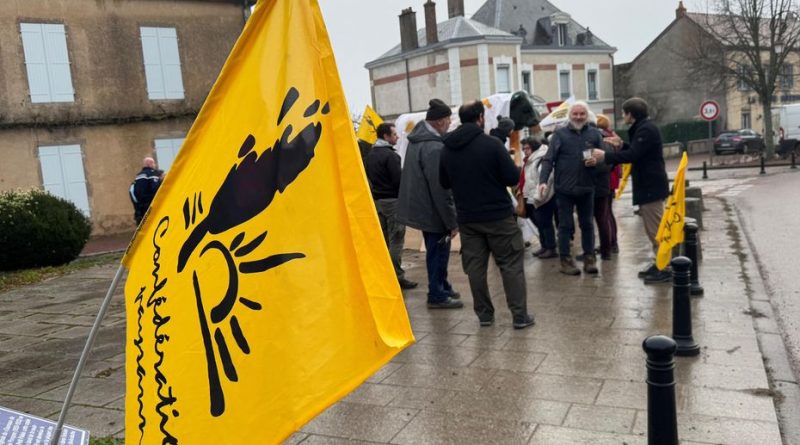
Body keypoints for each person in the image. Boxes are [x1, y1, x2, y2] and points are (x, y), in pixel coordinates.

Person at [439, 100, 534, 330]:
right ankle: (519, 316)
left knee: (475, 269)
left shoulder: (447, 148)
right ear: (480, 118)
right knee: (510, 265)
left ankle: (484, 315)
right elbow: (512, 177)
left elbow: (444, 182)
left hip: (468, 219)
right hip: (498, 216)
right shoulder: (491, 144)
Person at [592, 97, 671, 283]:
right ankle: (659, 262)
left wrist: (605, 156)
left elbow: (633, 155)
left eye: (624, 113)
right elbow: (637, 150)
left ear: (631, 114)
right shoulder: (644, 128)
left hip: (651, 186)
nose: (622, 116)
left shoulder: (645, 129)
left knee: (656, 229)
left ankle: (665, 268)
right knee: (652, 229)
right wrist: (621, 145)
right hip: (649, 185)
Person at [397, 99, 462, 309]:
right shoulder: (433, 147)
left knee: (437, 250)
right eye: (448, 120)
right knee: (438, 252)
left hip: (424, 207)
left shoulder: (418, 141)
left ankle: (442, 285)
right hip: (433, 210)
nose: (450, 123)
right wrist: (451, 221)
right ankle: (437, 294)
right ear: (440, 121)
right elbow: (440, 188)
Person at [538, 101, 603, 275]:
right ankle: (565, 261)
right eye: (575, 114)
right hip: (564, 189)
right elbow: (548, 159)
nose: (579, 117)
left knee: (587, 224)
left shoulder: (595, 134)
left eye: (582, 114)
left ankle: (589, 259)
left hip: (587, 187)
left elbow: (605, 159)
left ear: (587, 115)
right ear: (569, 115)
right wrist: (543, 181)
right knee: (565, 226)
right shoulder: (560, 134)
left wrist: (597, 162)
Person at [366, 122, 418, 290]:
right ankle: (397, 276)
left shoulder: (370, 155)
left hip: (378, 202)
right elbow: (398, 181)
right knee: (397, 239)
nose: (397, 137)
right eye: (394, 134)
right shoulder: (391, 156)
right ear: (386, 136)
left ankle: (385, 275)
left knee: (385, 240)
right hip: (393, 201)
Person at [519, 137, 557, 259]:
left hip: (543, 198)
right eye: (523, 149)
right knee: (540, 224)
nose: (525, 151)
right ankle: (544, 246)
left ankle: (551, 248)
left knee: (546, 223)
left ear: (534, 147)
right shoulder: (530, 160)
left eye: (527, 148)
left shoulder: (541, 159)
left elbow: (547, 179)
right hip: (532, 197)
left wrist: (539, 197)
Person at [597, 114, 622, 255]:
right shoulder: (612, 135)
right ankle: (611, 242)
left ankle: (611, 243)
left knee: (606, 213)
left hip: (608, 178)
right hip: (612, 177)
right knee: (608, 212)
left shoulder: (604, 137)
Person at [129, 157, 161, 225]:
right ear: (150, 164)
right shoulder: (152, 174)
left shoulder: (138, 176)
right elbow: (155, 188)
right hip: (152, 206)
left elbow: (133, 192)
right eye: (154, 163)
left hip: (140, 209)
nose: (155, 165)